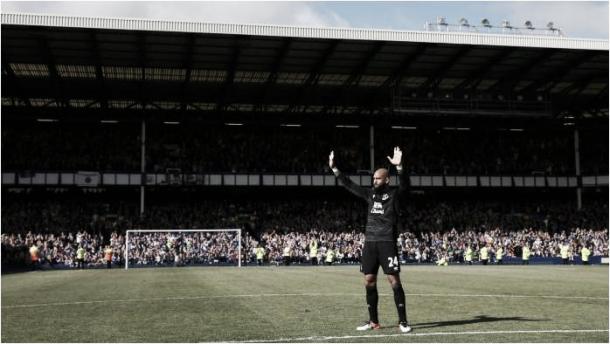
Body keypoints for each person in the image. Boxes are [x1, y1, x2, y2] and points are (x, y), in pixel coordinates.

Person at [329, 147, 411, 333]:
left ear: (386, 179)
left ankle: (403, 321)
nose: (374, 181)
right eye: (373, 178)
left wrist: (400, 168)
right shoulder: (369, 195)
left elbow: (406, 185)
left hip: (387, 243)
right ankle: (373, 321)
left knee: (394, 281)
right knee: (369, 280)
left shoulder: (394, 195)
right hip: (370, 243)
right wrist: (335, 169)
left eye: (378, 178)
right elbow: (349, 184)